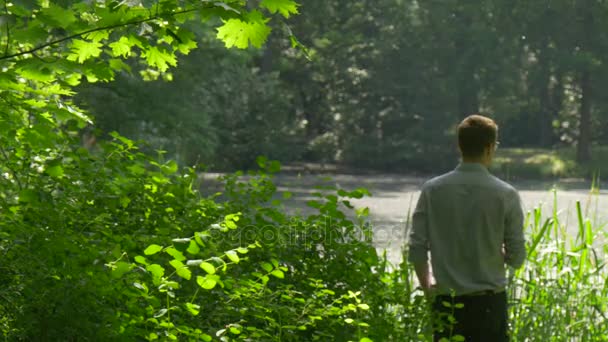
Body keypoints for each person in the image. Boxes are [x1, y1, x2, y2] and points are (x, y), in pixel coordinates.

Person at [407, 114, 526, 341]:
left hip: (446, 302)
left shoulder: (432, 190)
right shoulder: (505, 194)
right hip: (489, 304)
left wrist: (428, 289)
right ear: (490, 147)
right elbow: (517, 258)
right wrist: (497, 251)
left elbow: (417, 248)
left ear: (459, 146)